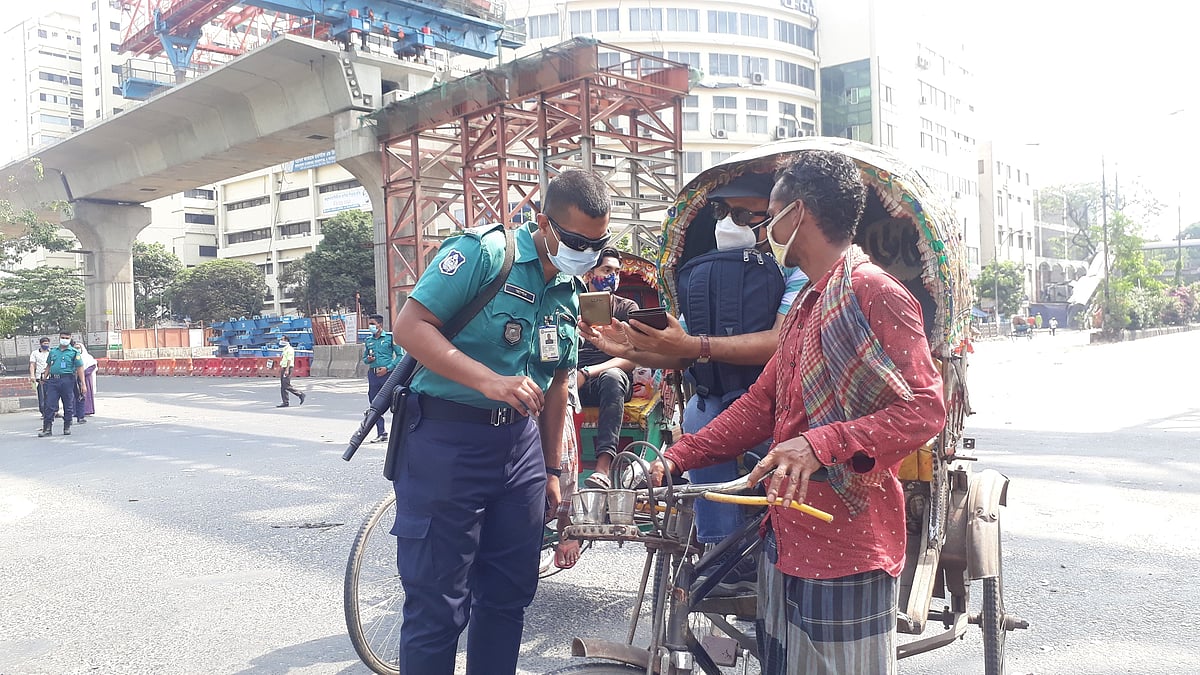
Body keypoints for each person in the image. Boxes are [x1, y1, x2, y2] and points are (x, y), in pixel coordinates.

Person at [648, 150, 946, 674]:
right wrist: (676, 457)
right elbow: (761, 405)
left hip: (847, 546)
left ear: (797, 213)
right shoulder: (810, 301)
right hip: (786, 538)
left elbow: (925, 410)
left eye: (765, 215)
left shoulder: (873, 292)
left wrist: (819, 443)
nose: (760, 229)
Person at [389, 168, 610, 674]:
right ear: (542, 220)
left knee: (508, 598)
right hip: (447, 440)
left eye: (598, 244)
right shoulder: (485, 254)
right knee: (438, 609)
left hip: (521, 451)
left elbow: (558, 384)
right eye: (576, 240)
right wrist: (487, 380)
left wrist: (552, 470)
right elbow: (410, 326)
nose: (587, 253)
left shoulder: (567, 290)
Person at [586, 170, 807, 594]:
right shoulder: (707, 275)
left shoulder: (795, 270)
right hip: (719, 400)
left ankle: (779, 546)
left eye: (746, 215)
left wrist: (697, 344)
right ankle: (720, 553)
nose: (730, 223)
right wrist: (629, 349)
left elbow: (778, 340)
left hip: (781, 404)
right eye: (726, 212)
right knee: (699, 413)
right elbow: (680, 346)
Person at [578, 247, 640, 489]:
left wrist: (586, 373)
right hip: (575, 378)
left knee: (612, 377)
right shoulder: (571, 305)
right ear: (590, 274)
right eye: (606, 270)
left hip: (611, 380)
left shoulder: (627, 308)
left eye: (616, 271)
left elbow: (631, 359)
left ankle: (603, 467)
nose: (613, 276)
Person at [362, 313, 404, 442]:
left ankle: (400, 433)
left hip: (387, 374)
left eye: (373, 324)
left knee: (395, 403)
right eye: (370, 324)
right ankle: (381, 432)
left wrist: (388, 368)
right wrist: (369, 360)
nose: (371, 327)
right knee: (374, 403)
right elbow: (364, 359)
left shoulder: (390, 338)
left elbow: (400, 356)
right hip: (373, 375)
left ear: (380, 325)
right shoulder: (368, 341)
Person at [38, 330, 86, 437]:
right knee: (50, 404)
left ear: (70, 339)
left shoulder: (74, 352)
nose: (64, 340)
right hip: (53, 381)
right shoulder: (53, 351)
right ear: (59, 338)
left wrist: (83, 384)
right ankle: (47, 428)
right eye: (62, 337)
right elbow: (49, 366)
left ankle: (67, 426)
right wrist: (44, 378)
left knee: (68, 404)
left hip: (67, 380)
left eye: (66, 338)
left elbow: (80, 368)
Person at [72, 339, 97, 423]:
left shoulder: (88, 357)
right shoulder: (73, 356)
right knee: (75, 395)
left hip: (86, 378)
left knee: (85, 394)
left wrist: (83, 373)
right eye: (76, 348)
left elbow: (93, 366)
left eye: (79, 348)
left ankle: (87, 410)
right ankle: (76, 411)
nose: (77, 349)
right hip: (74, 378)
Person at [276, 335, 306, 408]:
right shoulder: (284, 349)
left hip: (288, 368)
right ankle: (285, 402)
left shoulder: (290, 349)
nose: (281, 341)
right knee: (283, 386)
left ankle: (300, 394)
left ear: (286, 340)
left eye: (282, 339)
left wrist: (286, 369)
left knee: (286, 384)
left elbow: (289, 360)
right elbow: (284, 359)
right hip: (284, 367)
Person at [29, 336, 50, 418]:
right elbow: (32, 365)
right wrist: (32, 375)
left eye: (47, 343)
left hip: (50, 377)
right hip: (40, 377)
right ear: (41, 344)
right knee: (42, 396)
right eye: (45, 343)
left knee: (52, 395)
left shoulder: (51, 352)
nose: (46, 345)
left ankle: (54, 411)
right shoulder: (35, 353)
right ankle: (44, 412)